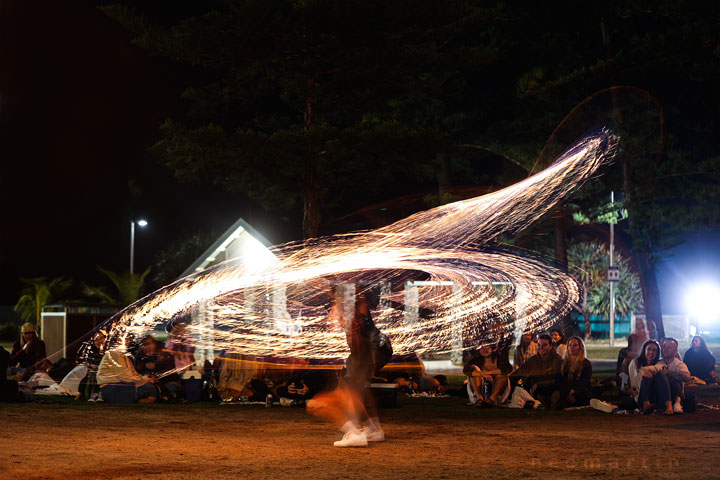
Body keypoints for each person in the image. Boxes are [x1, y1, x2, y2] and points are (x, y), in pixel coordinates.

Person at [307, 284, 392, 447]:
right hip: (375, 350)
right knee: (357, 388)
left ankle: (354, 433)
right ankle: (373, 429)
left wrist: (360, 364)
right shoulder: (351, 306)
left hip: (368, 351)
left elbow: (359, 336)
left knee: (348, 389)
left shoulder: (354, 311)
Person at [96, 336, 158, 403]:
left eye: (127, 340)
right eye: (124, 340)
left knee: (149, 386)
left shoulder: (124, 356)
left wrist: (148, 379)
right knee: (147, 387)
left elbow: (133, 374)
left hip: (119, 386)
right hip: (113, 389)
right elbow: (125, 377)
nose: (127, 342)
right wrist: (145, 380)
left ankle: (143, 401)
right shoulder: (113, 354)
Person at [510, 333, 563, 409]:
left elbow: (559, 379)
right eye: (539, 345)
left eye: (544, 345)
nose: (541, 347)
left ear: (551, 346)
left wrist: (540, 384)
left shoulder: (558, 359)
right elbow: (520, 371)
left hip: (552, 388)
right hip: (537, 390)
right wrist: (508, 379)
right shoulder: (533, 360)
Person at [628, 340, 674, 415]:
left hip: (656, 396)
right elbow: (632, 382)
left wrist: (646, 370)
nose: (651, 352)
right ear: (644, 350)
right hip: (641, 397)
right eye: (649, 349)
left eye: (654, 350)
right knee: (647, 377)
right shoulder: (635, 363)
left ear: (657, 353)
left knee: (660, 374)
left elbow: (660, 367)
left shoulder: (660, 363)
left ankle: (669, 406)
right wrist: (630, 390)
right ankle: (646, 405)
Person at [463, 338, 512, 406]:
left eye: (487, 347)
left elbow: (508, 368)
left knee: (502, 376)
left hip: (496, 390)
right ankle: (479, 398)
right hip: (480, 387)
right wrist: (482, 374)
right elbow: (466, 370)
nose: (484, 350)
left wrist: (489, 373)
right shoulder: (476, 359)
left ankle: (491, 399)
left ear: (492, 348)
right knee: (474, 374)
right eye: (482, 347)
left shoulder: (499, 358)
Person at [557, 336, 592, 408]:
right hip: (565, 391)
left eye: (575, 345)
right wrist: (567, 393)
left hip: (580, 391)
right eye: (570, 345)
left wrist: (573, 391)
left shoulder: (586, 363)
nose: (572, 347)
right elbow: (559, 379)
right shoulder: (563, 363)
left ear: (580, 347)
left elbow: (584, 381)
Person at [658, 337, 691, 413]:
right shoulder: (658, 363)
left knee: (675, 378)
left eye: (669, 347)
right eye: (664, 347)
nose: (665, 349)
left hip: (675, 394)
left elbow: (687, 377)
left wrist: (669, 372)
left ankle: (676, 403)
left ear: (676, 350)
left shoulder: (679, 364)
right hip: (660, 395)